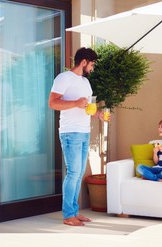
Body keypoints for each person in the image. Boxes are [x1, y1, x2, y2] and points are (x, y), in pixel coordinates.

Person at [48, 47, 106, 226]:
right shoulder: (63, 78)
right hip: (70, 132)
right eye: (92, 64)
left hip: (84, 131)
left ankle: (74, 211)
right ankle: (68, 215)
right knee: (73, 172)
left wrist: (98, 114)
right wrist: (74, 102)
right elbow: (52, 103)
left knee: (79, 173)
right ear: (83, 62)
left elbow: (87, 107)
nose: (92, 68)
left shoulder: (85, 83)